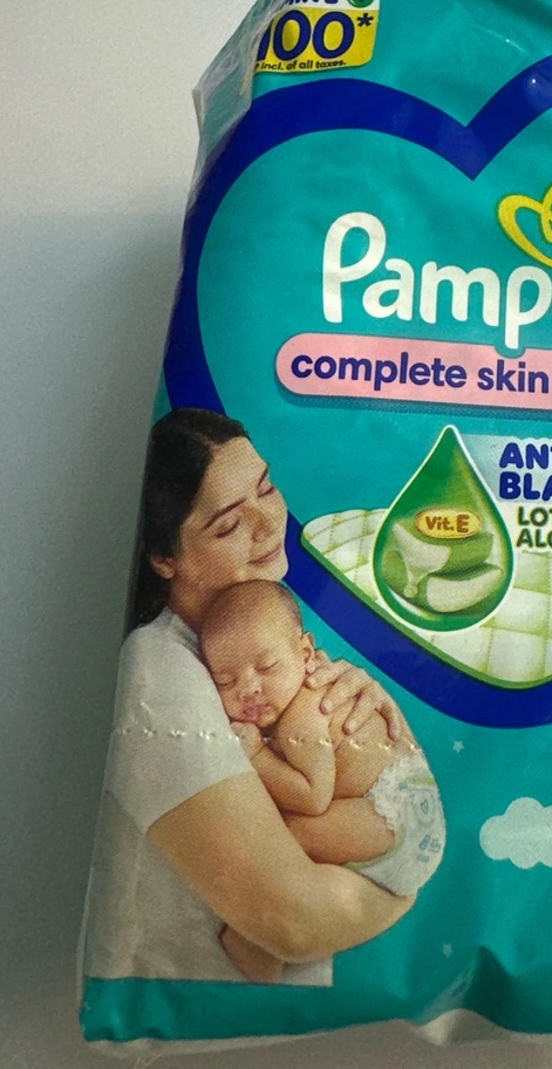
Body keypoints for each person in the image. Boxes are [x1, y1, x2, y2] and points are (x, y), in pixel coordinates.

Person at [82, 408, 413, 986]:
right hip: (207, 996)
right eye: (229, 524)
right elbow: (295, 924)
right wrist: (409, 868)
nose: (267, 525)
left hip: (289, 1005)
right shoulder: (163, 668)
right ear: (163, 558)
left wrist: (371, 736)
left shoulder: (259, 640)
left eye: (267, 488)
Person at [199, 580, 445, 982]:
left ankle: (256, 949)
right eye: (225, 681)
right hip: (415, 821)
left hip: (389, 817)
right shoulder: (307, 695)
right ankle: (272, 950)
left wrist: (257, 756)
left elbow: (313, 796)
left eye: (267, 667)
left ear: (305, 653)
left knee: (284, 836)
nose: (248, 688)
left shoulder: (304, 711)